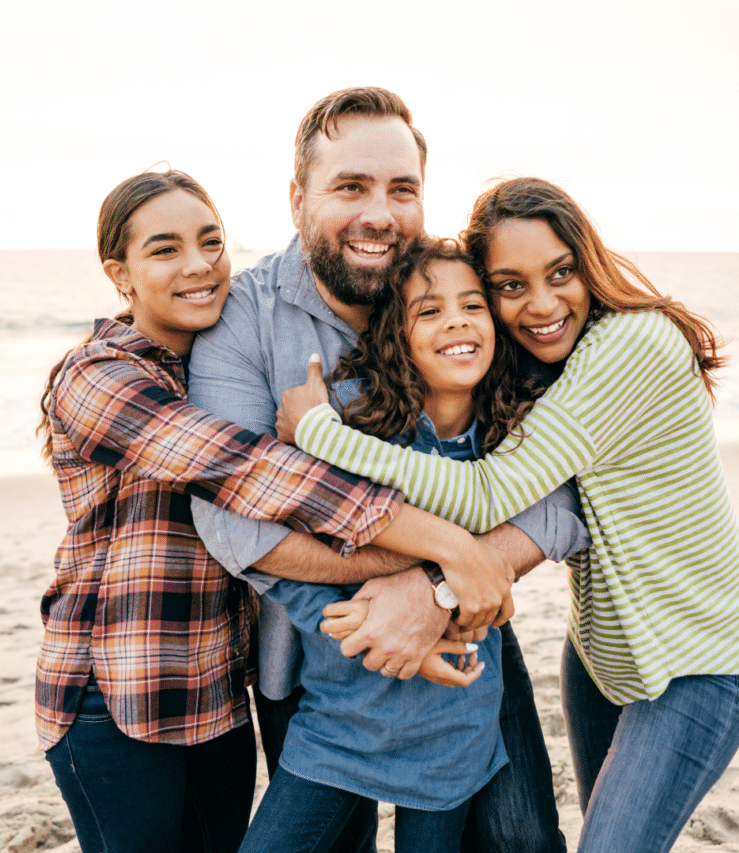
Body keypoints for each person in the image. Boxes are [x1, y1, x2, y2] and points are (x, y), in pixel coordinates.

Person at [280, 177, 739, 853]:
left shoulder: (630, 346)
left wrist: (319, 430)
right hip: (604, 655)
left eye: (561, 273)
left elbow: (489, 495)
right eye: (511, 286)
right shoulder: (548, 362)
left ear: (589, 263)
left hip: (702, 654)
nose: (542, 303)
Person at [35, 169, 516, 853]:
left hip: (218, 690)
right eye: (165, 250)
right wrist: (452, 547)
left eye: (211, 241)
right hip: (116, 694)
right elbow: (251, 472)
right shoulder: (99, 377)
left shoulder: (207, 358)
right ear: (121, 273)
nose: (200, 265)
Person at [188, 89, 584, 853]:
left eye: (402, 189)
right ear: (298, 197)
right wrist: (445, 550)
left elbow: (559, 491)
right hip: (314, 655)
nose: (381, 212)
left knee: (523, 840)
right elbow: (233, 517)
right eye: (351, 186)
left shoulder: (456, 289)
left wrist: (437, 589)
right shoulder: (247, 316)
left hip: (465, 638)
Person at [240, 238, 558, 853]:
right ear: (397, 336)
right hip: (340, 722)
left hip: (452, 719)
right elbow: (288, 568)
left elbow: (496, 583)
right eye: (429, 311)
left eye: (473, 305)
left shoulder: (512, 450)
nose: (458, 321)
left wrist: (447, 614)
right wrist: (354, 629)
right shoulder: (357, 427)